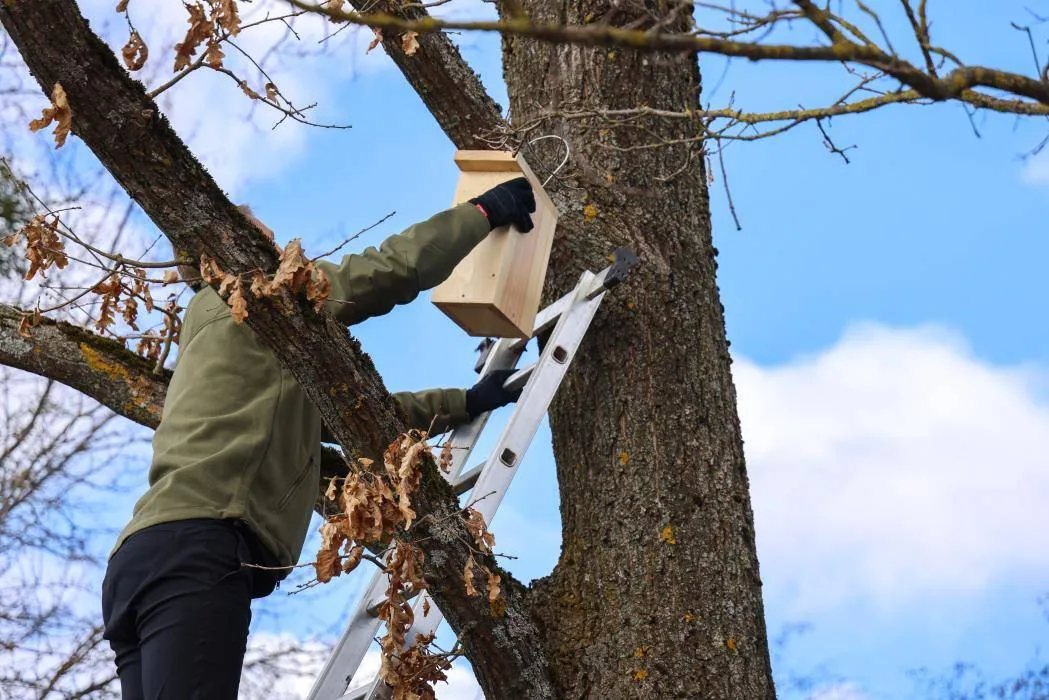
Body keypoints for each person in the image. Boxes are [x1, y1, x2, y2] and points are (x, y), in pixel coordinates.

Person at [100, 178, 537, 699]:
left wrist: (466, 402)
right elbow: (393, 267)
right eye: (262, 233)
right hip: (201, 548)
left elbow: (349, 425)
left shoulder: (216, 338)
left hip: (137, 564)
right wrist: (485, 211)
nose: (282, 246)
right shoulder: (263, 296)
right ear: (233, 245)